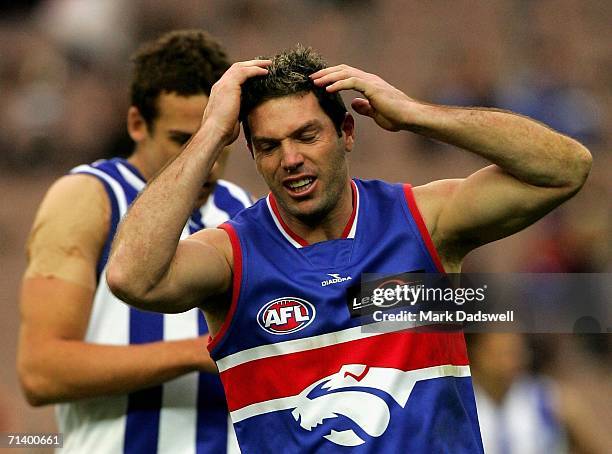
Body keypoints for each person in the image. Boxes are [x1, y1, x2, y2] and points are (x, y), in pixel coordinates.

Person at [106, 46, 592, 452]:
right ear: (252, 155)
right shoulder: (233, 256)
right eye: (270, 145)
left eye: (307, 135)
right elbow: (131, 277)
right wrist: (211, 131)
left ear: (347, 133)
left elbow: (566, 168)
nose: (291, 158)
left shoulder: (423, 221)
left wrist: (416, 115)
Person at [17, 30, 250, 454]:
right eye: (186, 140)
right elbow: (40, 371)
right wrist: (197, 352)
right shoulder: (90, 198)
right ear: (137, 124)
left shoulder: (242, 207)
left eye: (221, 139)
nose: (207, 162)